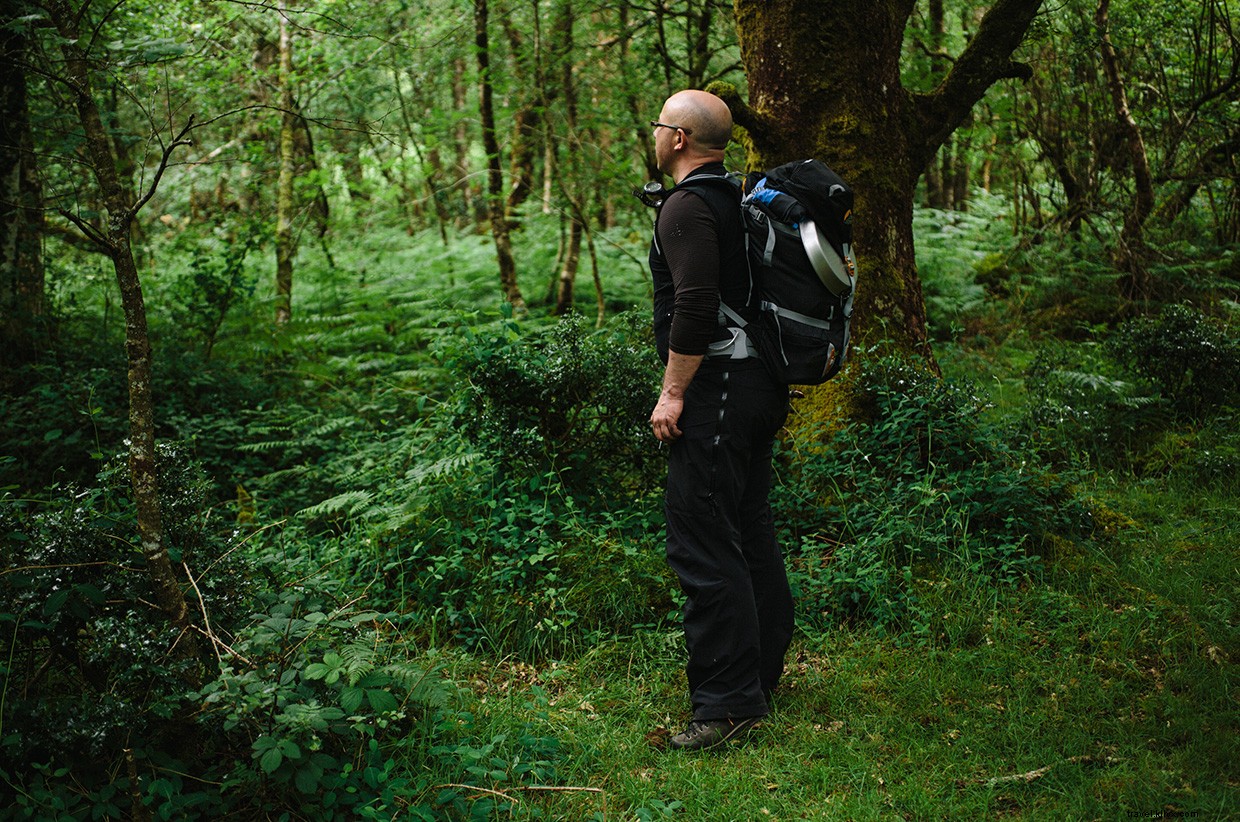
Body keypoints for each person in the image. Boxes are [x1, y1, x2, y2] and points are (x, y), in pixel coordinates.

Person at [646, 89, 795, 751]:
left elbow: (697, 304)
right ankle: (758, 677)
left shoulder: (686, 205)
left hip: (719, 391)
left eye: (659, 126)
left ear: (678, 138)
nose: (654, 135)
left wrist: (674, 393)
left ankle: (729, 707)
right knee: (746, 527)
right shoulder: (736, 199)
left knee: (703, 539)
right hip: (760, 385)